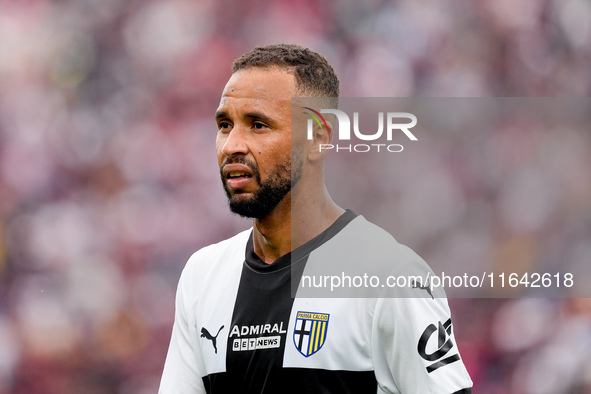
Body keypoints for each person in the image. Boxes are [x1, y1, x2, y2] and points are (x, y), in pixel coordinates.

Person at [159, 44, 473, 393]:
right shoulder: (202, 276)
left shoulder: (392, 277)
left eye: (258, 125)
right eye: (224, 124)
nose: (232, 144)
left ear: (318, 138)